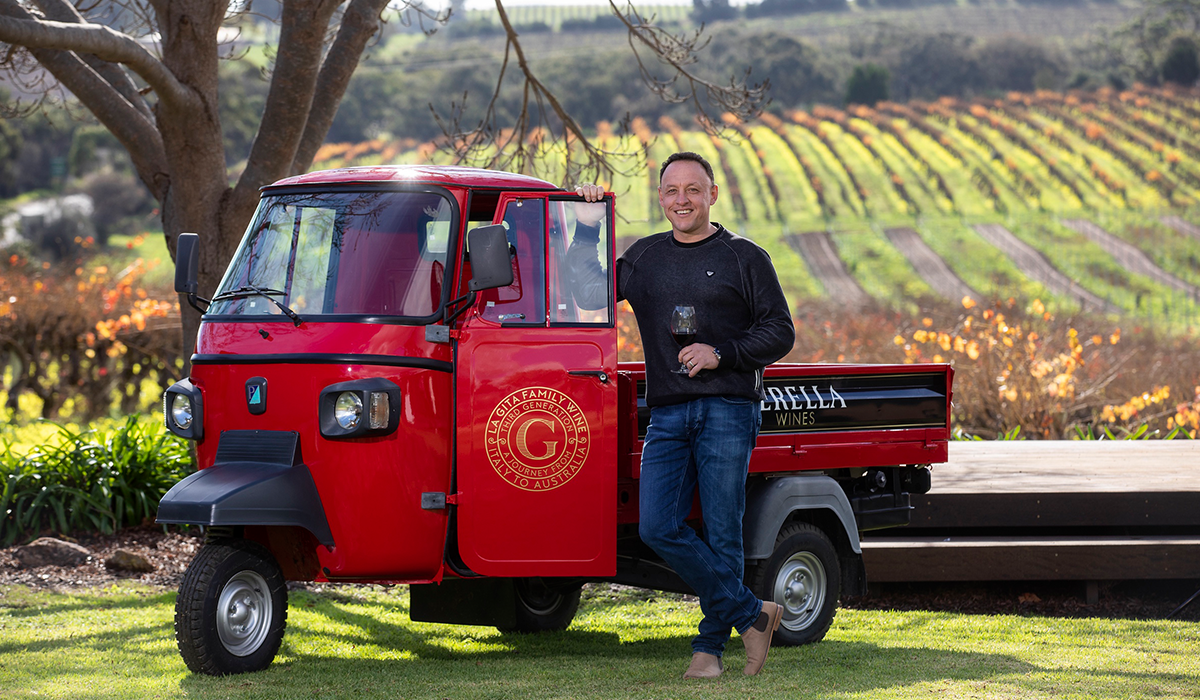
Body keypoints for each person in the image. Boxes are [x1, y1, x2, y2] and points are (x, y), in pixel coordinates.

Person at [568, 152, 796, 679]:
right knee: (658, 526)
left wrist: (724, 353)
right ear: (661, 198)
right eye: (671, 191)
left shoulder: (745, 257)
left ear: (712, 194)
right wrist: (584, 228)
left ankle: (709, 650)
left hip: (728, 408)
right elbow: (585, 292)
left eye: (693, 189)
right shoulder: (645, 258)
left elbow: (780, 331)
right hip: (667, 412)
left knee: (722, 532)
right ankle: (751, 615)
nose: (682, 200)